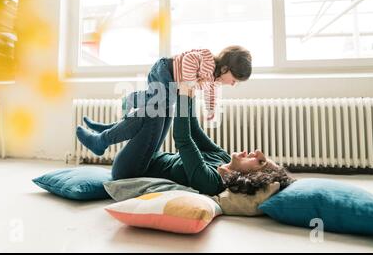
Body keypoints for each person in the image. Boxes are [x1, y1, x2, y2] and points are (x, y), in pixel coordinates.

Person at [76, 87, 295, 196]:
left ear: (252, 176)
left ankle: (103, 139)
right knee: (165, 105)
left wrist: (184, 95)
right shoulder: (223, 157)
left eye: (260, 161)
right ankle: (109, 133)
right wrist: (191, 93)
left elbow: (183, 139)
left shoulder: (211, 182)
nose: (256, 151)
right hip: (149, 157)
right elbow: (194, 129)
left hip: (130, 171)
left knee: (159, 110)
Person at [80, 46, 252, 156]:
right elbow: (189, 58)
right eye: (234, 79)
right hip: (164, 70)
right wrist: (189, 83)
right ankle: (130, 99)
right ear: (225, 68)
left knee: (160, 107)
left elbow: (212, 92)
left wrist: (211, 108)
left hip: (172, 84)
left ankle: (110, 129)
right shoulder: (208, 60)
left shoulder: (213, 80)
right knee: (160, 100)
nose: (233, 84)